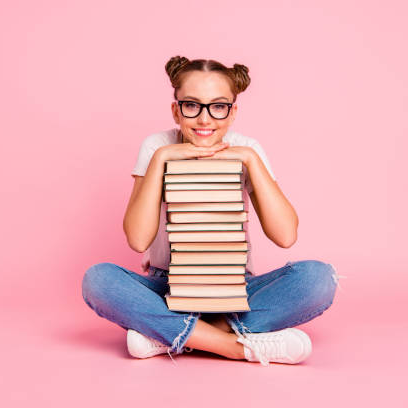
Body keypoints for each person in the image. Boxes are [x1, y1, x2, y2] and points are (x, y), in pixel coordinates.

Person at [82, 56, 342, 366]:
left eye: (218, 107)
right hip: (168, 287)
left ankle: (171, 335)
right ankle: (234, 345)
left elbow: (285, 236)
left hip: (234, 287)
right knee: (98, 280)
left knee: (318, 278)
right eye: (192, 105)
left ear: (233, 112)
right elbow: (138, 240)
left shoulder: (247, 148)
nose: (205, 120)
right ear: (176, 109)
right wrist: (163, 158)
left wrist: (250, 159)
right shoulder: (157, 146)